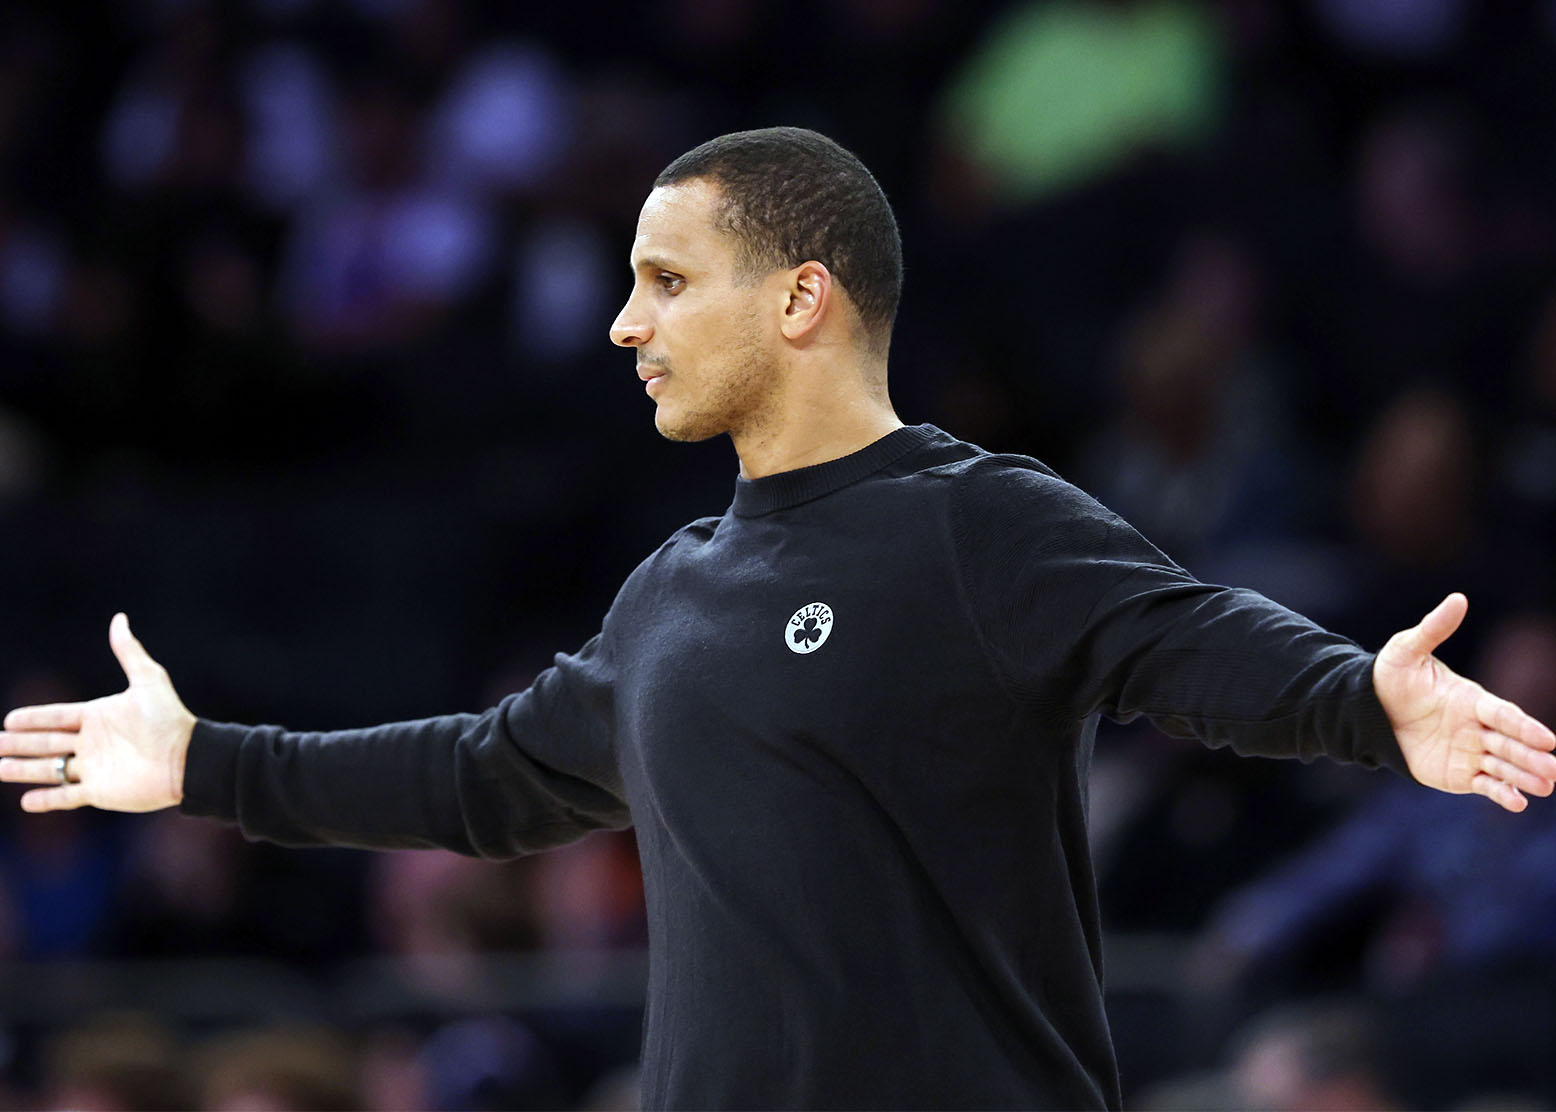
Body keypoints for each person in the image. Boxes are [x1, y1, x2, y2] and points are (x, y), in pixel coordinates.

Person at [3, 127, 1554, 1111]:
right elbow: (482, 778)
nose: (626, 322)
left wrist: (1366, 698)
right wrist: (208, 764)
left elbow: (1189, 638)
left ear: (801, 299)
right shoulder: (670, 590)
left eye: (669, 281)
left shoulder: (975, 520)